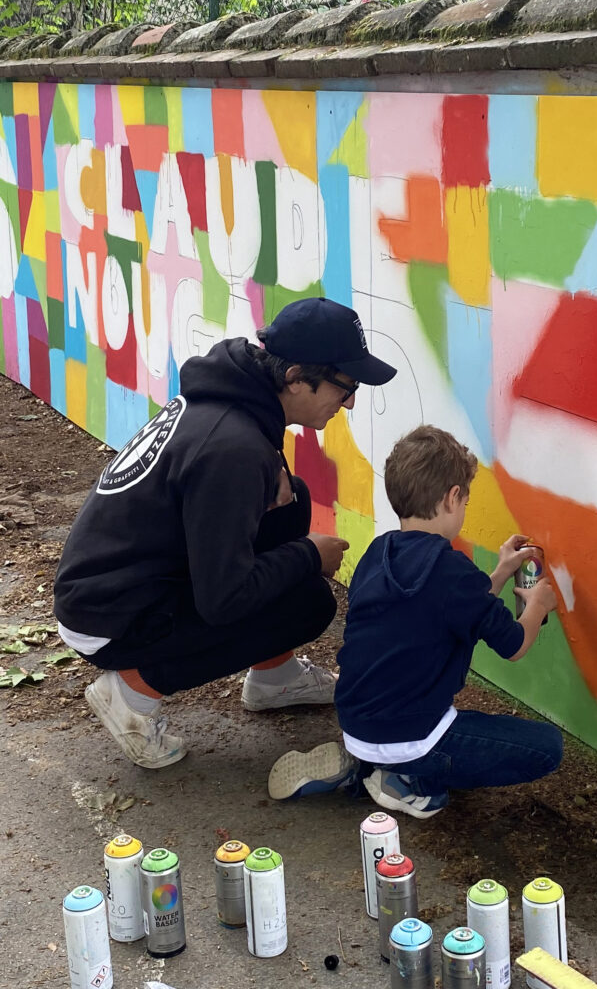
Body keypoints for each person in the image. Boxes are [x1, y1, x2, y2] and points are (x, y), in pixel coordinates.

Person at [53, 298, 396, 770]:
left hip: (116, 583)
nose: (351, 400)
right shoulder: (232, 448)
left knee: (290, 498)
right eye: (345, 385)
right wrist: (307, 557)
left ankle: (274, 676)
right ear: (295, 377)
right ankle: (132, 691)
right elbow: (224, 599)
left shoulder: (235, 401)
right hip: (110, 617)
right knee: (309, 603)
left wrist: (274, 488)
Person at [267, 425, 563, 818]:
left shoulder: (379, 551)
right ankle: (409, 782)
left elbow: (455, 604)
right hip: (414, 735)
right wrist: (538, 605)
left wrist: (504, 571)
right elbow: (513, 644)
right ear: (452, 498)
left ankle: (364, 765)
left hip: (358, 720)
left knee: (425, 728)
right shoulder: (452, 572)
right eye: (465, 502)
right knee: (547, 747)